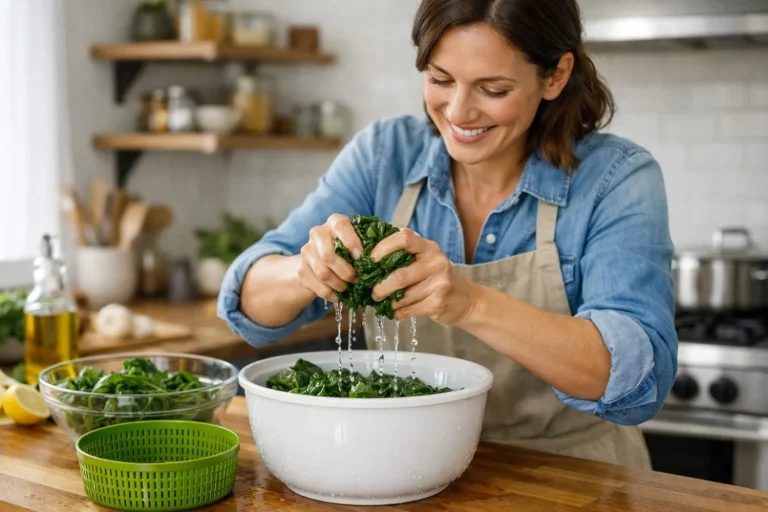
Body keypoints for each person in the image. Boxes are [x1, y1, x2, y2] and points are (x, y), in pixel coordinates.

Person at [218, 0, 677, 469]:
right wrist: (304, 270)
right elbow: (247, 306)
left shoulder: (616, 178)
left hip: (574, 478)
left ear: (555, 75)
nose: (458, 111)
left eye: (492, 89)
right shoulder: (385, 157)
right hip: (409, 469)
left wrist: (470, 302)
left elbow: (634, 381)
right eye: (440, 80)